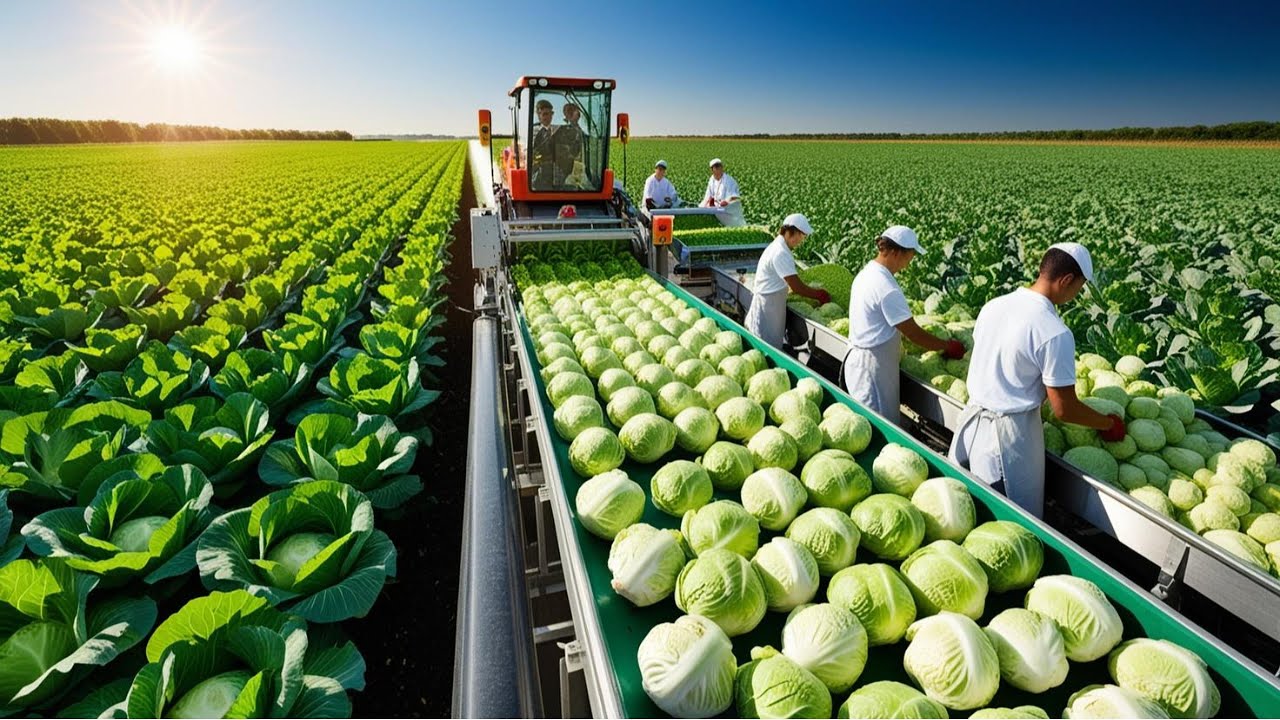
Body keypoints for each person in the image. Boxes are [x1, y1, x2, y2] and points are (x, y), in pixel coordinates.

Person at [949, 242, 1126, 519]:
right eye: (1079, 287)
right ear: (1066, 280)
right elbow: (1064, 409)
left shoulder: (994, 306)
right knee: (1009, 521)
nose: (1076, 295)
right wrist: (1108, 423)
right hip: (1008, 439)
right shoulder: (1054, 331)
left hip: (969, 424)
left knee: (966, 512)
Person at [842, 226, 964, 424]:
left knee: (868, 422)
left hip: (860, 361)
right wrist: (946, 346)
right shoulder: (886, 287)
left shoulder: (866, 273)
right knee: (877, 425)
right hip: (873, 371)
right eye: (911, 256)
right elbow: (913, 333)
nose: (910, 262)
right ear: (897, 253)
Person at [744, 213, 830, 348]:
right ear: (790, 232)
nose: (800, 241)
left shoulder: (779, 246)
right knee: (766, 346)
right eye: (800, 236)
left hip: (772, 302)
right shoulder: (780, 252)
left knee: (769, 344)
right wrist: (819, 295)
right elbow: (797, 287)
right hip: (768, 305)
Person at [529, 99, 562, 190]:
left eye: (550, 113)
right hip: (539, 173)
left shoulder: (558, 131)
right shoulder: (532, 132)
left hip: (555, 173)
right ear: (538, 115)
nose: (548, 117)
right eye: (544, 114)